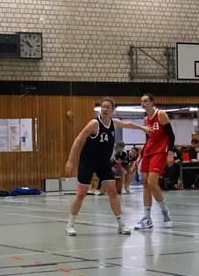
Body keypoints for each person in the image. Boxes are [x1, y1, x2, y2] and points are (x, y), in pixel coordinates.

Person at [65, 98, 153, 236]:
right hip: (88, 161)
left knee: (112, 191)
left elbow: (128, 124)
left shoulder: (114, 123)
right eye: (103, 107)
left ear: (112, 110)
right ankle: (70, 225)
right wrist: (70, 160)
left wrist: (143, 128)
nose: (105, 109)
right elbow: (78, 140)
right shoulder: (94, 124)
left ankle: (121, 224)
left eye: (108, 107)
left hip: (104, 162)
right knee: (81, 193)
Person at [135, 94, 174, 230]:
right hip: (148, 151)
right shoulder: (146, 119)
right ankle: (147, 218)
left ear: (152, 102)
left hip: (160, 150)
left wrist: (170, 152)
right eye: (141, 101)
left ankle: (165, 212)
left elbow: (171, 135)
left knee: (152, 182)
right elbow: (147, 140)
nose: (143, 103)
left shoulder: (161, 114)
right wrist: (139, 157)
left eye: (145, 101)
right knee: (145, 183)